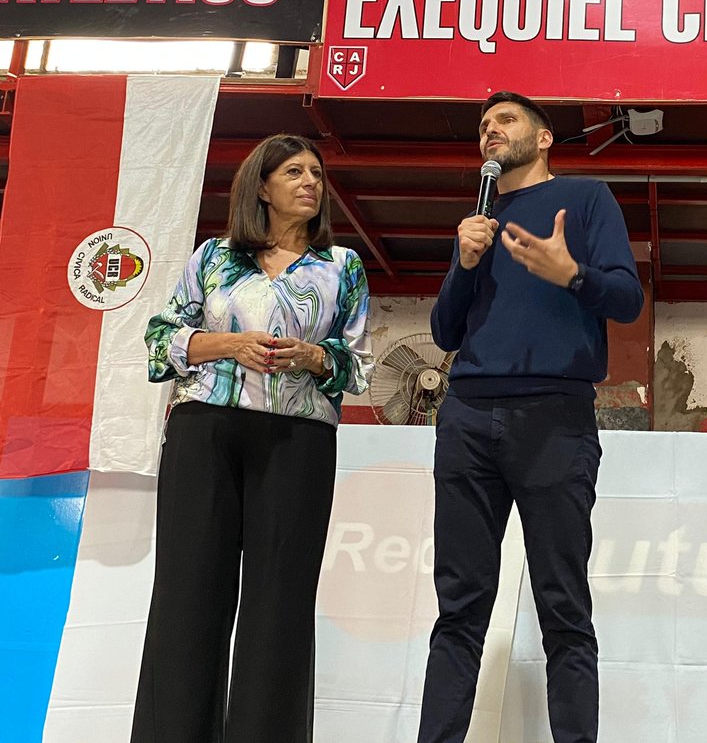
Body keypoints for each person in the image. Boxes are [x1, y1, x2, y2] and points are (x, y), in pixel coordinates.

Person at [132, 133, 372, 743]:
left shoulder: (342, 267)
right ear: (260, 187)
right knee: (188, 597)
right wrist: (230, 344)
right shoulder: (213, 257)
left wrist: (315, 357)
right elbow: (161, 340)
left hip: (297, 441)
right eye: (294, 172)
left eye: (316, 173)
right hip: (203, 431)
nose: (310, 183)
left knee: (279, 606)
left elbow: (359, 365)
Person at [419, 91, 644, 743]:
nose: (491, 131)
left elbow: (627, 298)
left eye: (505, 120)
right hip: (466, 414)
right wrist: (464, 264)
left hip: (554, 415)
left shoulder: (587, 198)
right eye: (483, 126)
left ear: (544, 137)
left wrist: (572, 272)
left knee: (562, 606)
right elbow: (442, 329)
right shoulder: (477, 223)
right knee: (458, 608)